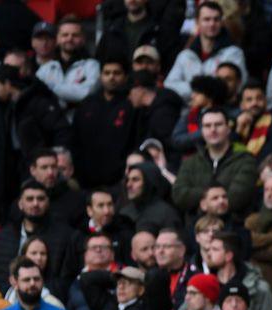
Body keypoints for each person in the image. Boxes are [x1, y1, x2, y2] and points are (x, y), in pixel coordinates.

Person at [172, 108, 258, 218]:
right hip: (196, 229)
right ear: (202, 131)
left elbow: (237, 198)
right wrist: (214, 195)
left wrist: (201, 199)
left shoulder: (246, 160)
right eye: (207, 126)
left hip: (232, 228)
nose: (213, 130)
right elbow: (179, 195)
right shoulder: (190, 162)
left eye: (218, 125)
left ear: (228, 128)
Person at [71, 57, 135, 188]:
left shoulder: (132, 105)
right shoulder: (87, 104)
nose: (111, 77)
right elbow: (75, 139)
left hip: (119, 180)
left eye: (117, 73)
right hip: (86, 179)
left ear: (125, 77)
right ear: (100, 76)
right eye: (107, 73)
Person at [164, 1, 246, 102]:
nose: (212, 24)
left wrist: (196, 90)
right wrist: (197, 91)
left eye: (216, 19)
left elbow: (238, 85)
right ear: (197, 22)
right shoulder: (186, 55)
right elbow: (169, 84)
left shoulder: (234, 53)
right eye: (206, 19)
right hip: (188, 111)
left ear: (222, 22)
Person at [206, 231, 272, 310]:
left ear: (228, 256)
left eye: (214, 249)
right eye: (209, 249)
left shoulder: (259, 288)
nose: (209, 254)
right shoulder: (204, 285)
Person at [35, 16, 101, 111]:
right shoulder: (46, 68)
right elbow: (37, 96)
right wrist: (73, 91)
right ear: (57, 39)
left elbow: (87, 93)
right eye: (65, 35)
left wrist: (50, 87)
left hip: (83, 122)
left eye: (75, 35)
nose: (69, 39)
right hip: (51, 123)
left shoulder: (92, 66)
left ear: (83, 39)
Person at [121, 162, 183, 234]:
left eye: (135, 180)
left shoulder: (166, 214)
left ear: (149, 182)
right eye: (128, 180)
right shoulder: (124, 213)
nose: (128, 185)